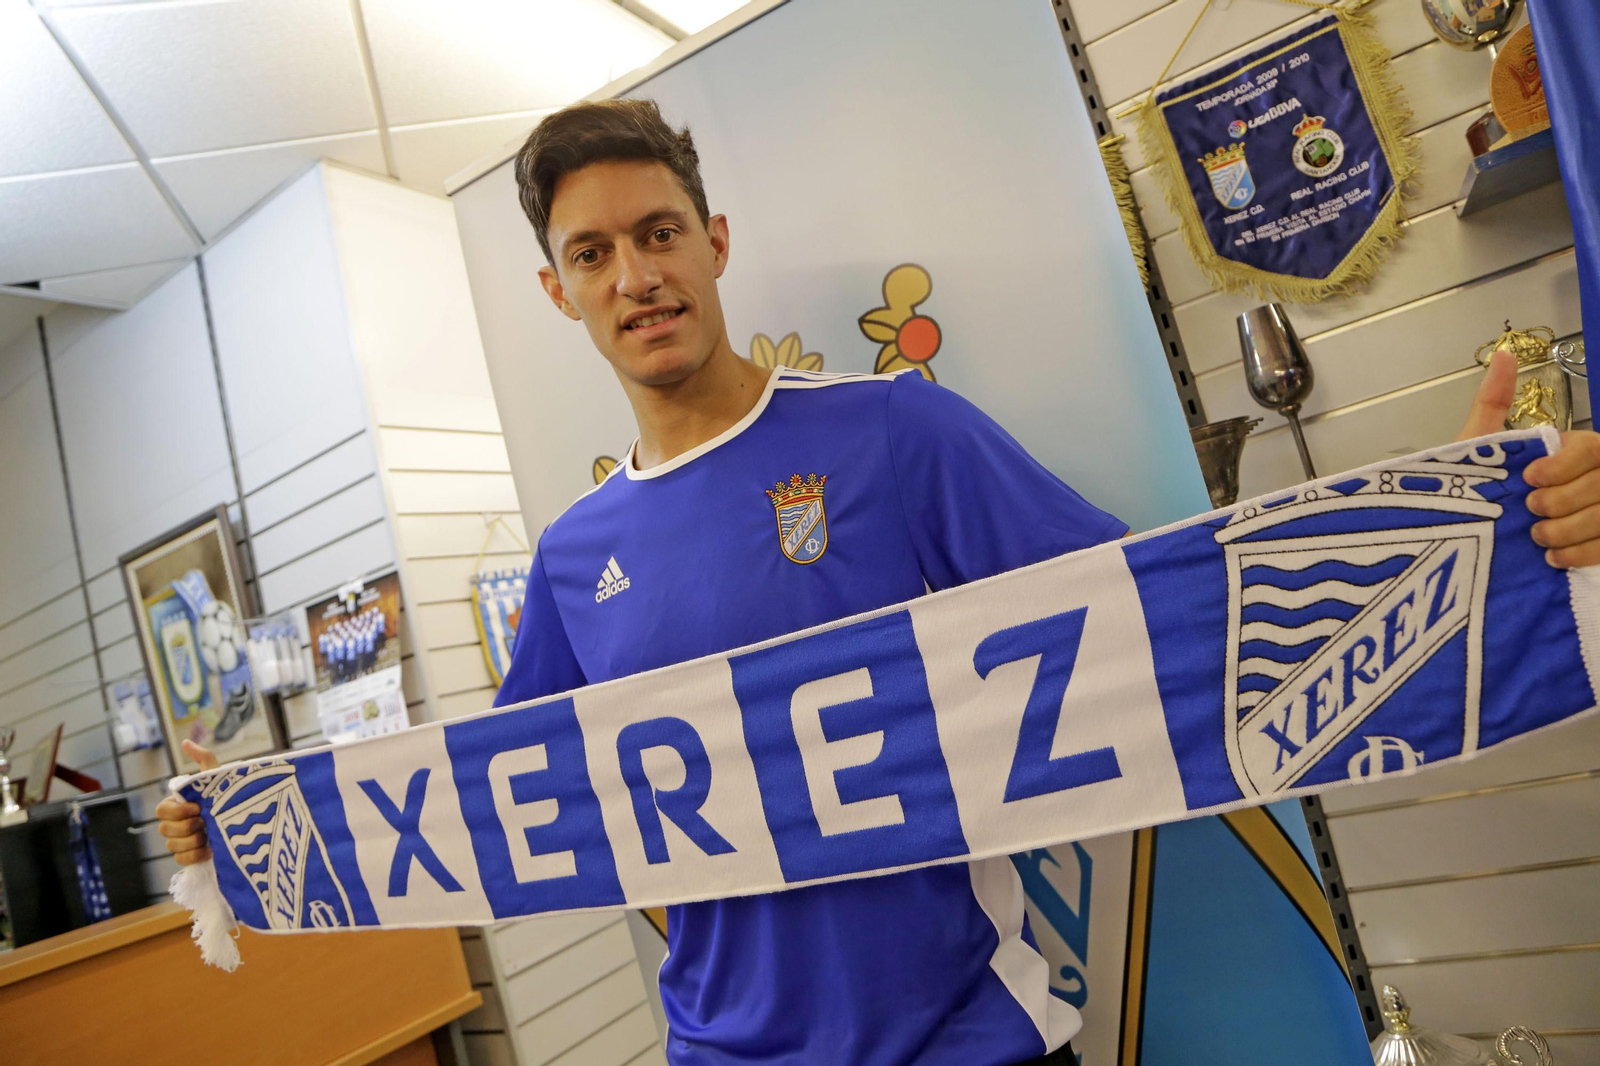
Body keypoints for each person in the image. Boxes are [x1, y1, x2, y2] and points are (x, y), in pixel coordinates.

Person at [157, 99, 1600, 1066]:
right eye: (591, 253)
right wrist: (238, 831)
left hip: (971, 1032)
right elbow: (499, 800)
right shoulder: (574, 558)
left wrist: (1450, 519)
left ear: (713, 244)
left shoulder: (892, 432)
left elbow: (1166, 615)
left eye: (658, 233)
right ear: (558, 292)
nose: (635, 275)